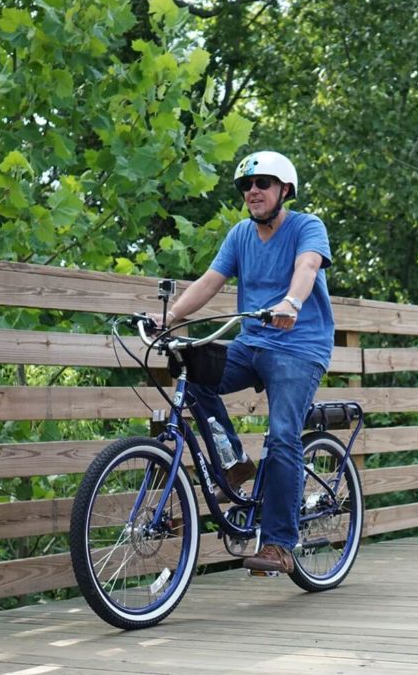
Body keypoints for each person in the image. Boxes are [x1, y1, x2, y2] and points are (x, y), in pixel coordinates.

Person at [159, 150, 335, 574]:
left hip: (299, 347)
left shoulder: (306, 226)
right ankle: (235, 463)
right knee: (192, 369)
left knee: (282, 436)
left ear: (284, 190)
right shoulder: (240, 235)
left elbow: (307, 267)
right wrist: (168, 319)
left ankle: (279, 543)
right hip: (252, 343)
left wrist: (292, 302)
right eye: (246, 186)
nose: (253, 191)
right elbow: (209, 282)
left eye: (263, 184)